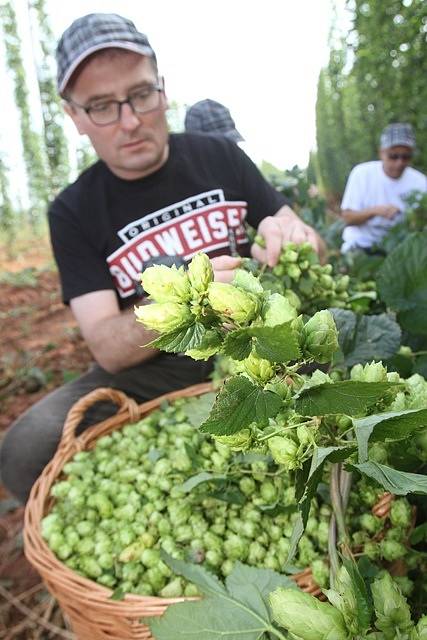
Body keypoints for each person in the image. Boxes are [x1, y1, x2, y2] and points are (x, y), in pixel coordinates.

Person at [0, 13, 324, 503]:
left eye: (141, 95)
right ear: (76, 117)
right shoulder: (73, 210)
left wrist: (295, 237)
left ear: (163, 90)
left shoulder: (219, 157)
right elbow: (107, 345)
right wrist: (187, 302)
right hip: (155, 370)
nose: (129, 120)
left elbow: (309, 241)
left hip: (254, 344)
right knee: (26, 447)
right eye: (102, 106)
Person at [340, 123, 427, 253]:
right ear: (381, 153)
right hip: (362, 245)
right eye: (393, 156)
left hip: (401, 248)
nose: (400, 162)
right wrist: (374, 211)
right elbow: (347, 218)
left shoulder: (420, 181)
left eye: (406, 157)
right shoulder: (362, 174)